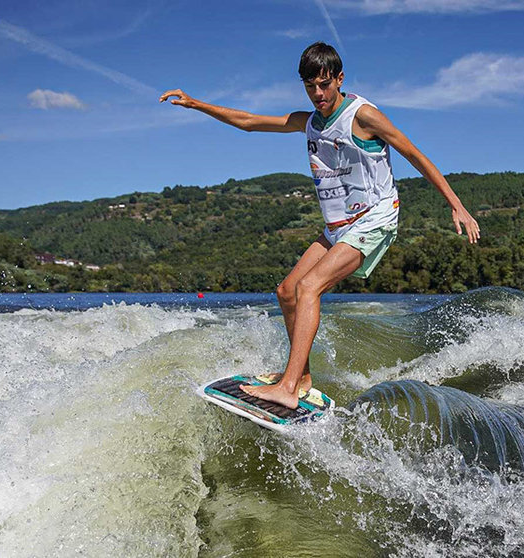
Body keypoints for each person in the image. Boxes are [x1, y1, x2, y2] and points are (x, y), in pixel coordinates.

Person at [160, 42, 480, 409]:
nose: (318, 94)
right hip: (337, 226)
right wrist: (197, 103)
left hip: (374, 218)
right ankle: (302, 377)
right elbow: (249, 123)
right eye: (310, 86)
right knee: (287, 291)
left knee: (310, 287)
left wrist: (457, 206)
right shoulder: (308, 122)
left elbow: (414, 154)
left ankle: (289, 386)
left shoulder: (363, 115)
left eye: (324, 85)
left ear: (339, 79)